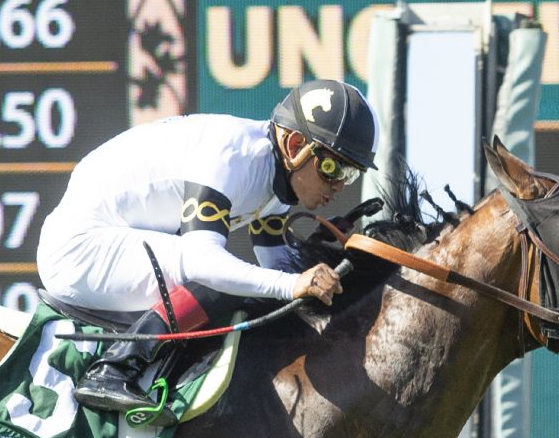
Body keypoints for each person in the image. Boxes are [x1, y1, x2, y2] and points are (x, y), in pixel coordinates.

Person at [35, 77, 377, 417]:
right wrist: (293, 283)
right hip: (79, 249)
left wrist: (324, 256)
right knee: (217, 277)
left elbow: (277, 267)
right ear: (295, 145)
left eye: (349, 175)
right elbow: (203, 263)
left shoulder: (279, 178)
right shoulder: (233, 155)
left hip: (115, 238)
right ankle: (114, 369)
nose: (336, 186)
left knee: (246, 287)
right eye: (332, 168)